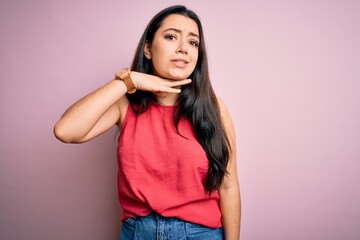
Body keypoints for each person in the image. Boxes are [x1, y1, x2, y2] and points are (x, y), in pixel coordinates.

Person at [54, 5, 240, 240]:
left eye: (193, 43)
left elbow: (229, 186)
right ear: (148, 49)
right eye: (171, 37)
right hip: (138, 232)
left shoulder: (215, 109)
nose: (183, 48)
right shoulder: (125, 105)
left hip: (200, 234)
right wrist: (128, 81)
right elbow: (65, 131)